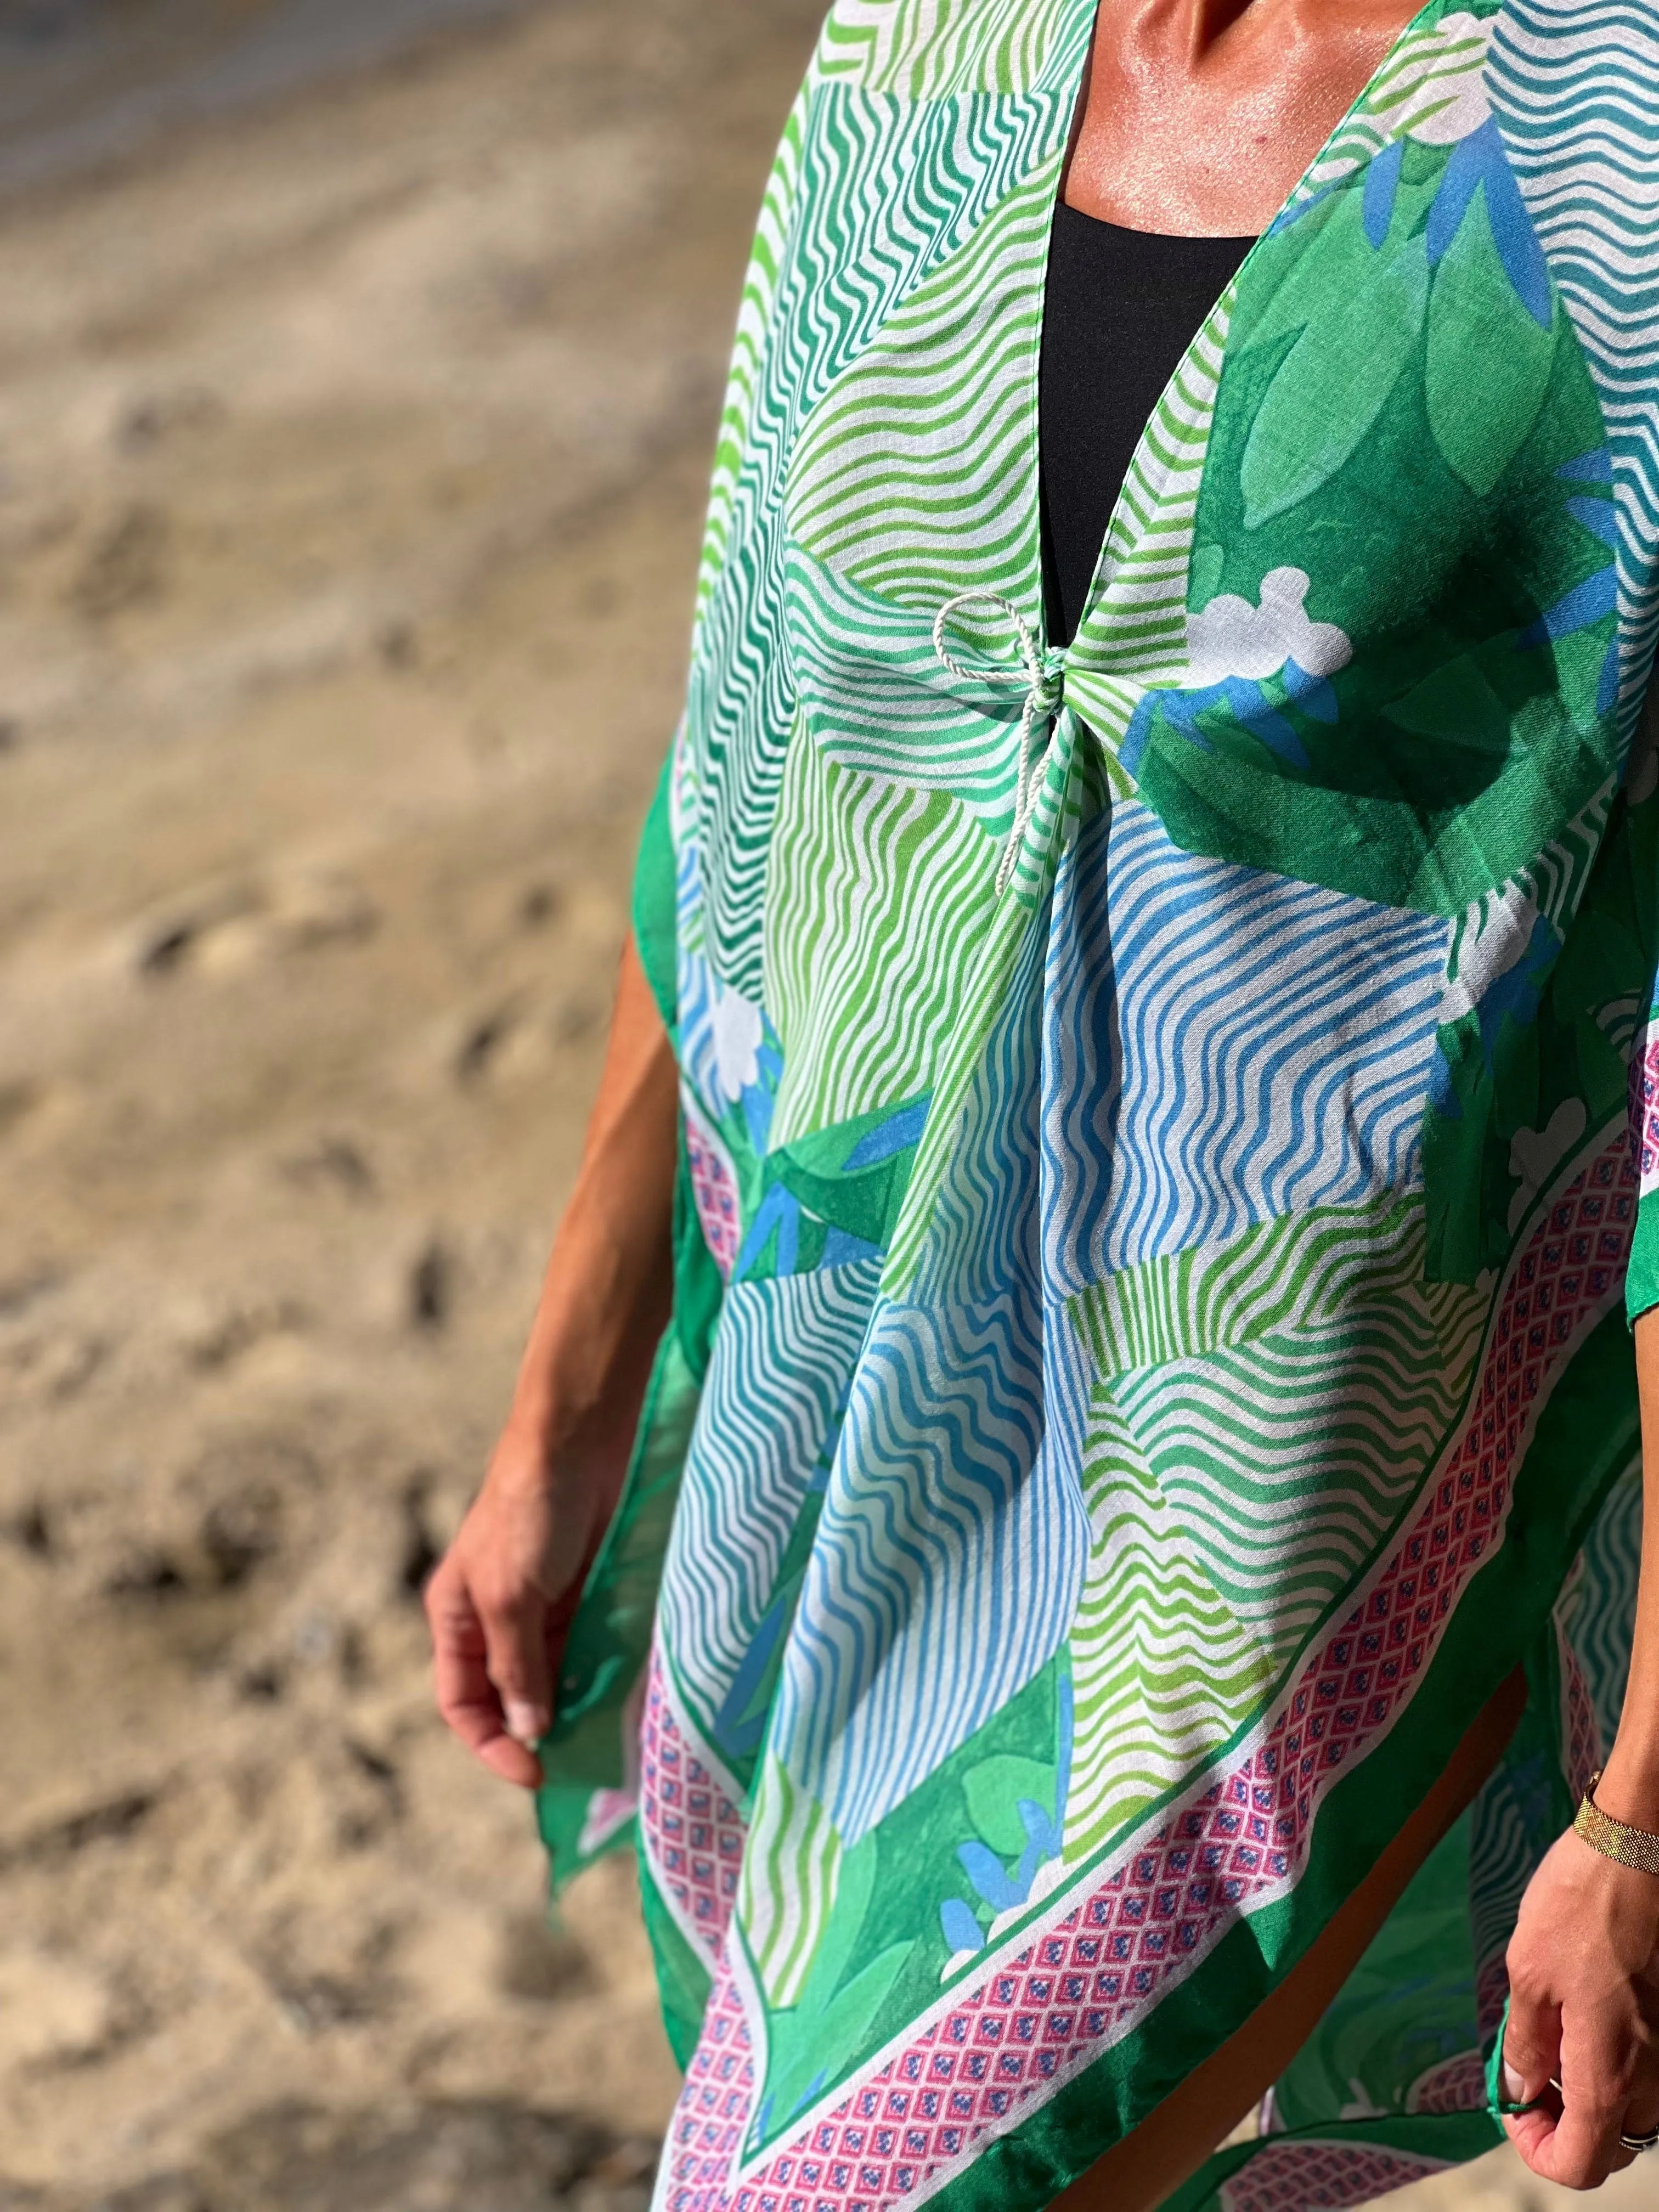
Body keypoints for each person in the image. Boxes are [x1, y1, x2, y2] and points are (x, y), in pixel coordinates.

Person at [425, 0, 1659, 2203]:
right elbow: (756, 763)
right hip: (826, 1445)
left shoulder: (1616, 127)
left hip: (1265, 1495)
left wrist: (1646, 1799)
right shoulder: (930, 44)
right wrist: (564, 1415)